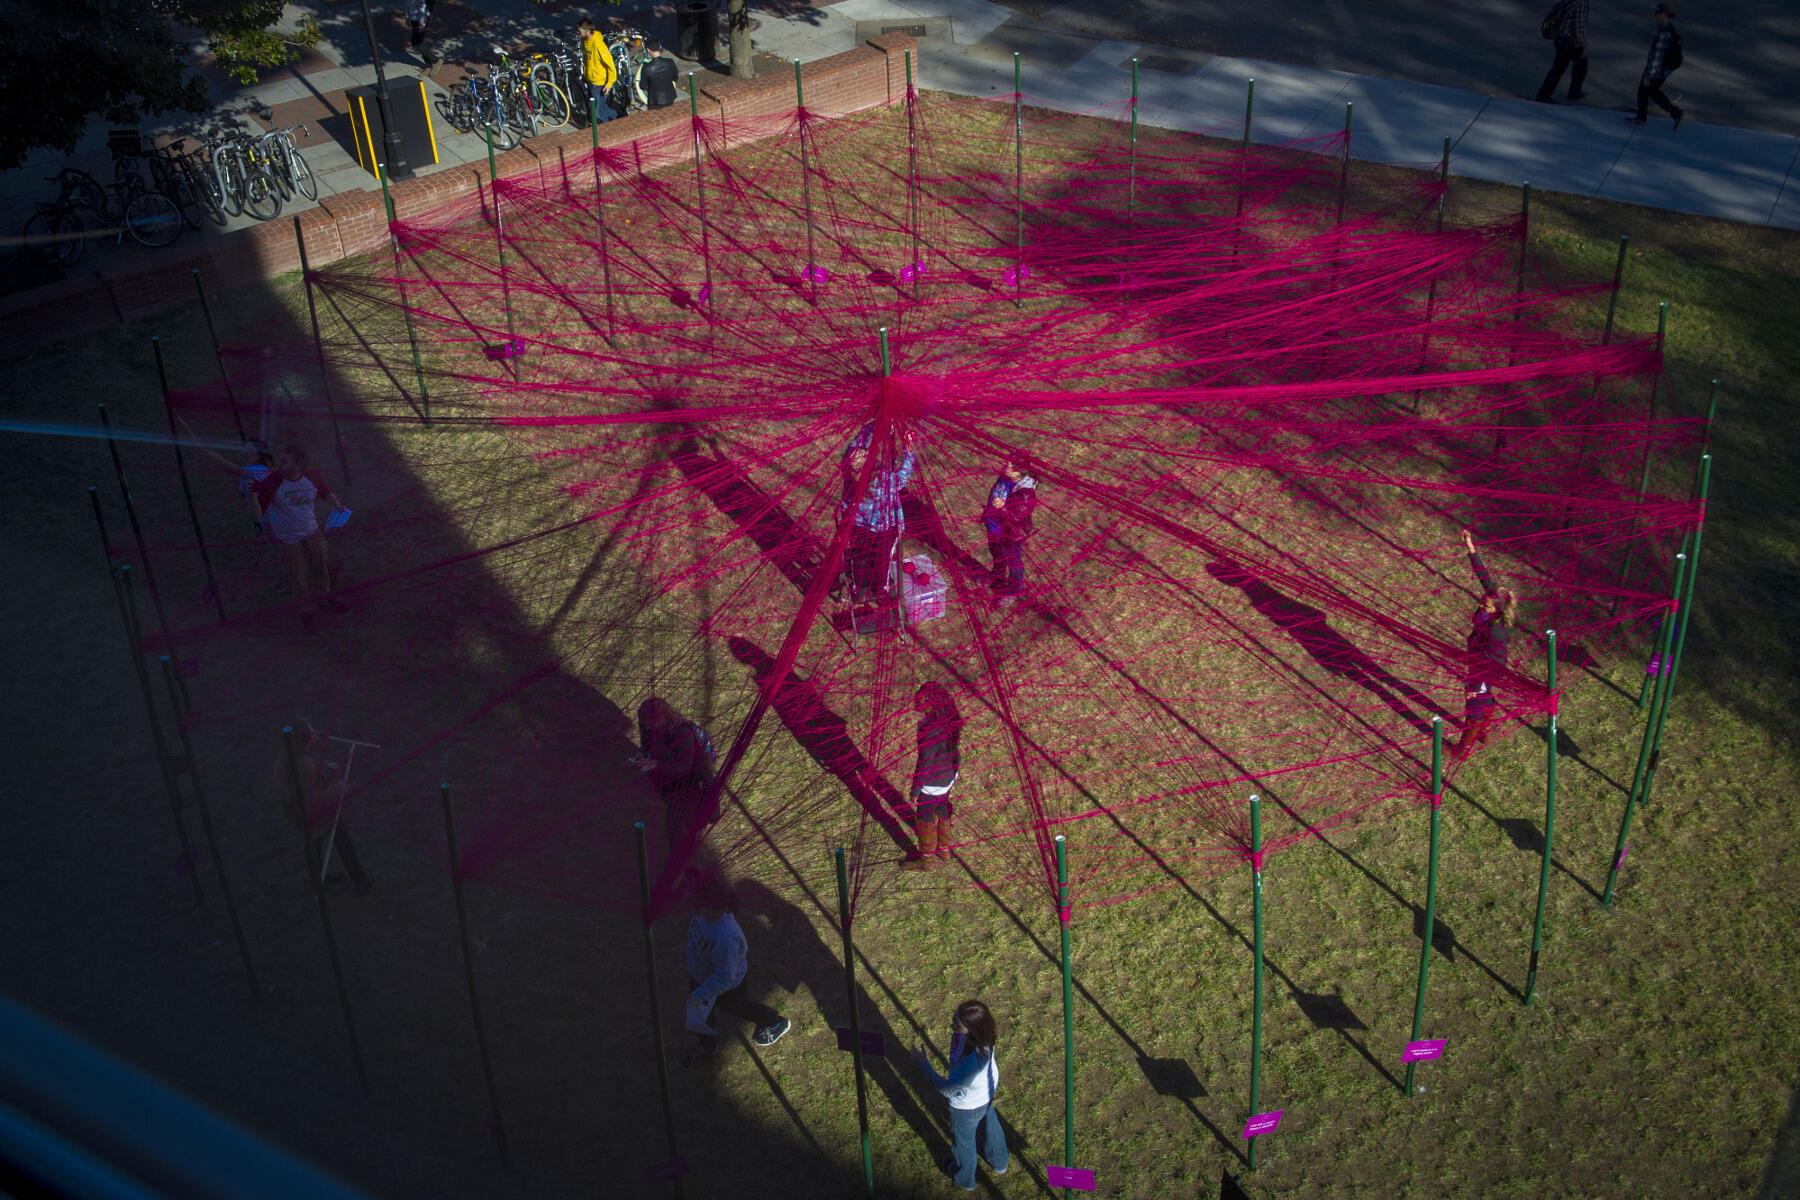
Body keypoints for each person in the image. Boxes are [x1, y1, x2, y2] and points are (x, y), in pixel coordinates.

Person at [683, 873, 791, 1065]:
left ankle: (774, 1022)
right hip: (701, 977)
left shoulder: (726, 936)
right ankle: (708, 1047)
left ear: (711, 907)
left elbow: (725, 976)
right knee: (702, 1017)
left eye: (699, 905)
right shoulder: (701, 914)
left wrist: (701, 995)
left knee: (736, 1008)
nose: (695, 908)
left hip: (728, 986)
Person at [912, 1000, 1007, 1191]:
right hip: (987, 1092)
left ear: (972, 1030)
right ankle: (999, 1161)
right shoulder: (986, 1036)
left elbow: (949, 1089)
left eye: (957, 1025)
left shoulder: (970, 1063)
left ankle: (965, 1179)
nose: (952, 1025)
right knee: (991, 1123)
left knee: (963, 1143)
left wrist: (924, 1065)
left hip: (967, 1107)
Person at [253, 444, 348, 629]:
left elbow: (325, 493)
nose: (278, 465)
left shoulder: (312, 477)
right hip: (289, 539)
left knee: (321, 569)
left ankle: (326, 599)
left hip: (313, 533)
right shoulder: (271, 482)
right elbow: (260, 509)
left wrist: (336, 504)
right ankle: (306, 612)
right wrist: (258, 518)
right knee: (299, 578)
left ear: (297, 465)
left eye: (284, 461)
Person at [274, 723, 372, 894]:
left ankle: (317, 877)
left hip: (297, 812)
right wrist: (337, 789)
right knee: (340, 838)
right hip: (316, 814)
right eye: (310, 734)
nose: (315, 734)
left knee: (313, 842)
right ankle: (360, 881)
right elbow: (310, 800)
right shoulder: (304, 767)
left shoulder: (286, 758)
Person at [1454, 529, 1517, 756]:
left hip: (1486, 670)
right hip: (1479, 663)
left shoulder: (1495, 633)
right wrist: (1470, 545)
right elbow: (1483, 574)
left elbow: (1491, 662)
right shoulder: (1493, 600)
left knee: (1473, 703)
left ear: (1496, 611)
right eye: (1483, 600)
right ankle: (1485, 730)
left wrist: (1474, 685)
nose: (1482, 604)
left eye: (1486, 605)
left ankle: (1461, 749)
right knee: (1485, 696)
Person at [839, 429, 916, 602]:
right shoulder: (880, 481)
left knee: (861, 556)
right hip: (884, 527)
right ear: (866, 464)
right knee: (882, 558)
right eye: (864, 454)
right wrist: (908, 448)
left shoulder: (848, 469)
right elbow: (903, 475)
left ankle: (860, 588)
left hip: (856, 525)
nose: (865, 451)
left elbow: (855, 445)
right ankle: (881, 588)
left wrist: (877, 424)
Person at [636, 698, 717, 849]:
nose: (646, 727)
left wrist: (656, 764)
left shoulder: (682, 734)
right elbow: (650, 747)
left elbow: (685, 766)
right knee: (675, 821)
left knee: (677, 823)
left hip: (689, 786)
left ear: (662, 717)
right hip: (671, 783)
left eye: (649, 723)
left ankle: (680, 857)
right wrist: (644, 757)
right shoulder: (655, 729)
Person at [901, 682, 961, 870]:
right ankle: (944, 851)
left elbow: (925, 762)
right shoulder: (949, 721)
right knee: (942, 809)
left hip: (932, 782)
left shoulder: (930, 731)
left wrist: (916, 790)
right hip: (947, 778)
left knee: (925, 817)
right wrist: (954, 774)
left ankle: (927, 862)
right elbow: (954, 752)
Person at [980, 456, 1038, 605]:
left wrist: (1002, 508)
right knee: (996, 553)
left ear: (1018, 472)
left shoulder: (1025, 494)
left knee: (1013, 562)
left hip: (1011, 534)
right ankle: (997, 576)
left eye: (1010, 465)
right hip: (994, 526)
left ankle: (1013, 591)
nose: (1006, 465)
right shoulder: (1007, 477)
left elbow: (1016, 518)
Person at [1629, 3, 1684, 128]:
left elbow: (1657, 58)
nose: (1655, 15)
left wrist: (1648, 76)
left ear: (1664, 15)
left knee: (1652, 93)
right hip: (1662, 70)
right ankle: (1641, 117)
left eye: (1657, 12)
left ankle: (1675, 112)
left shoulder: (1663, 34)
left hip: (1657, 71)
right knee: (1645, 92)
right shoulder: (1668, 28)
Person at [1535, 0, 1589, 104]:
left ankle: (1547, 93)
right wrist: (1583, 44)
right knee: (1576, 67)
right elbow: (1578, 28)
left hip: (1562, 38)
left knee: (1564, 68)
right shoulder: (1582, 2)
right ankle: (1545, 95)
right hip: (1571, 41)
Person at [577, 20, 619, 124]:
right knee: (601, 108)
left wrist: (609, 84)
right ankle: (620, 117)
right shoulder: (585, 41)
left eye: (580, 31)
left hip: (599, 83)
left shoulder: (598, 44)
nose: (578, 34)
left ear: (587, 31)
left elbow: (610, 65)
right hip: (591, 80)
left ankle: (605, 132)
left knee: (598, 112)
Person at [405, 0, 441, 76]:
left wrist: (422, 23)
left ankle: (436, 61)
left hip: (421, 20)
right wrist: (407, 17)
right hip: (413, 18)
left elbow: (422, 8)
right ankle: (428, 66)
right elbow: (407, 4)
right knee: (420, 42)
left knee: (417, 43)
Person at [641, 43, 679, 109]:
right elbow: (675, 78)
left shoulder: (646, 68)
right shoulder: (670, 62)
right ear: (660, 47)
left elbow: (642, 86)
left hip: (654, 102)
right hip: (670, 98)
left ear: (648, 50)